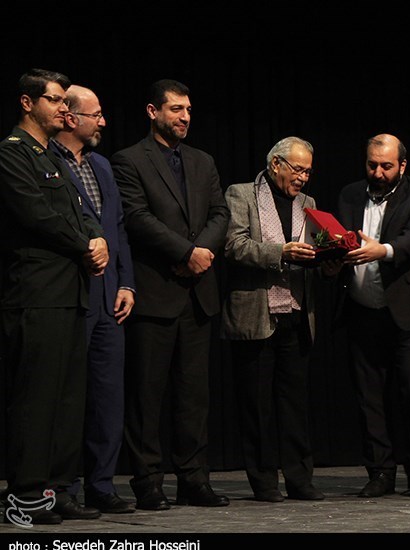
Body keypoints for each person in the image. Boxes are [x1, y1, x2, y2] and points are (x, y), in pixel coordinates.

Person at [111, 79, 230, 510]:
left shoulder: (202, 160)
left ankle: (194, 480)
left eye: (188, 110)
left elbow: (220, 213)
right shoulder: (128, 160)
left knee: (193, 397)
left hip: (198, 293)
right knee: (147, 396)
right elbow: (137, 217)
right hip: (155, 292)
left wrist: (201, 253)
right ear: (153, 111)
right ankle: (147, 481)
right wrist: (184, 253)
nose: (185, 117)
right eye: (176, 109)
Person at [0, 69, 108, 524]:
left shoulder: (55, 157)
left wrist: (97, 238)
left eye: (66, 100)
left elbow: (82, 209)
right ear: (28, 103)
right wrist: (85, 244)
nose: (64, 108)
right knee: (37, 398)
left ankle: (58, 489)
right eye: (55, 100)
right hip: (37, 292)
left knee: (67, 399)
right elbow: (36, 214)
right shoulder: (12, 153)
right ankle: (27, 493)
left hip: (71, 292)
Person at [221, 136, 334, 502]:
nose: (303, 178)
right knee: (257, 406)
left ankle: (301, 479)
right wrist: (280, 252)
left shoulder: (308, 204)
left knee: (295, 405)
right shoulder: (242, 194)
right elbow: (233, 246)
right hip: (257, 314)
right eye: (298, 169)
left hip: (297, 315)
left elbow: (314, 252)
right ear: (275, 164)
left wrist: (330, 259)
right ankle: (264, 481)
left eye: (308, 172)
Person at [336, 133, 410, 498]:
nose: (378, 173)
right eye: (372, 165)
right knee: (370, 397)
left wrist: (383, 250)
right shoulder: (350, 194)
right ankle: (380, 472)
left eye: (386, 166)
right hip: (363, 311)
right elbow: (342, 241)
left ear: (402, 166)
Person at [50, 85, 136, 514]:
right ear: (71, 118)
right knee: (67, 397)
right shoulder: (46, 160)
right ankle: (60, 486)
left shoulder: (101, 164)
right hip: (69, 292)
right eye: (96, 114)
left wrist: (127, 284)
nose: (103, 122)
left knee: (107, 397)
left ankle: (102, 484)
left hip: (108, 298)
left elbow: (118, 227)